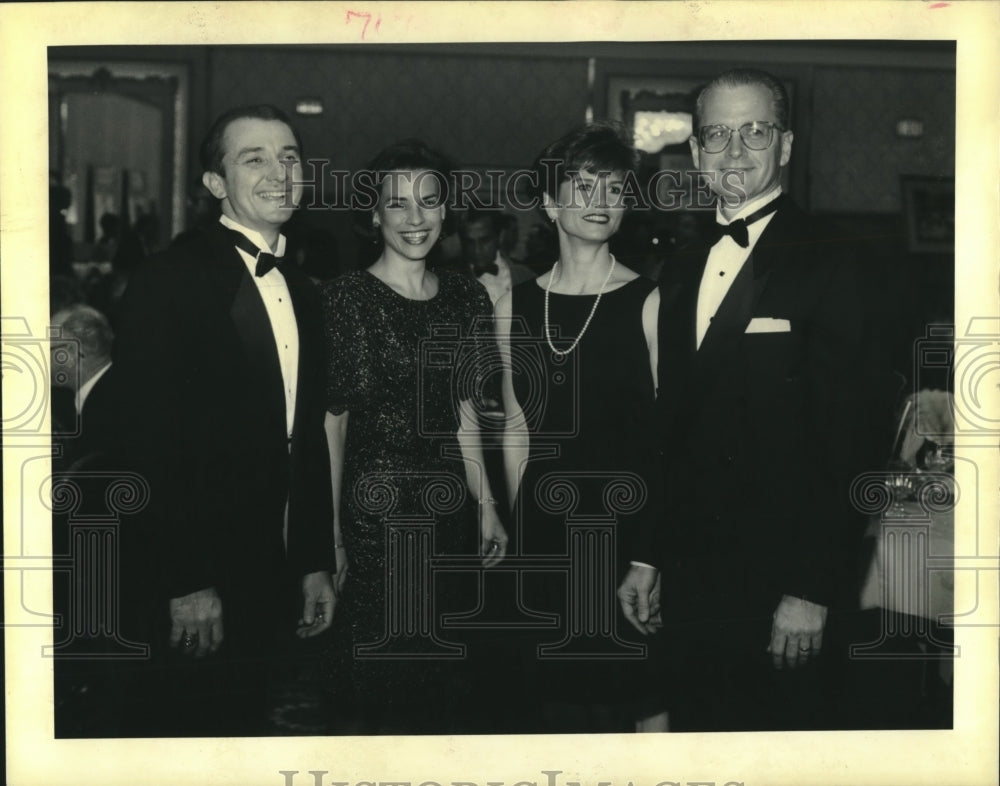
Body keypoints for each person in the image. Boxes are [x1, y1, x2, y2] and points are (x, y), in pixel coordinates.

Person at [618, 68, 869, 731]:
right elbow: (669, 429)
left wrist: (812, 589)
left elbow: (851, 439)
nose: (735, 151)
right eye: (717, 135)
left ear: (784, 145)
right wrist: (647, 554)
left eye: (754, 131)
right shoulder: (679, 268)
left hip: (782, 578)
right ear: (695, 152)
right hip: (692, 575)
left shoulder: (836, 258)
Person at [106, 104, 336, 736]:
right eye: (253, 158)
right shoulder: (169, 280)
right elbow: (143, 446)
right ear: (215, 185)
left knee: (244, 728)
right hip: (196, 571)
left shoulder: (307, 290)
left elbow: (306, 435)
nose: (278, 171)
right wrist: (187, 581)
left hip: (270, 568)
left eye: (289, 157)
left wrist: (313, 559)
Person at [320, 139, 508, 734]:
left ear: (446, 209)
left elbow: (467, 415)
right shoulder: (345, 298)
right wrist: (330, 540)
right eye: (396, 204)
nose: (415, 218)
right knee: (374, 694)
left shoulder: (466, 296)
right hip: (373, 524)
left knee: (441, 696)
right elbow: (335, 424)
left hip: (448, 517)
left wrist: (487, 508)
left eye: (429, 201)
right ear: (373, 214)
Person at [495, 121, 667, 733]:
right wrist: (520, 536)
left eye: (615, 189)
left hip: (625, 536)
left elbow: (666, 443)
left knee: (638, 705)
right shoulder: (512, 304)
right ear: (549, 202)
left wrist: (650, 558)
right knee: (547, 711)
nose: (601, 203)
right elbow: (515, 431)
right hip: (543, 539)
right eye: (584, 186)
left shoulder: (649, 304)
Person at [457, 208, 535, 304]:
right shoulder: (455, 282)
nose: (477, 250)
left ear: (500, 236)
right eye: (470, 242)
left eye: (484, 241)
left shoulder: (525, 275)